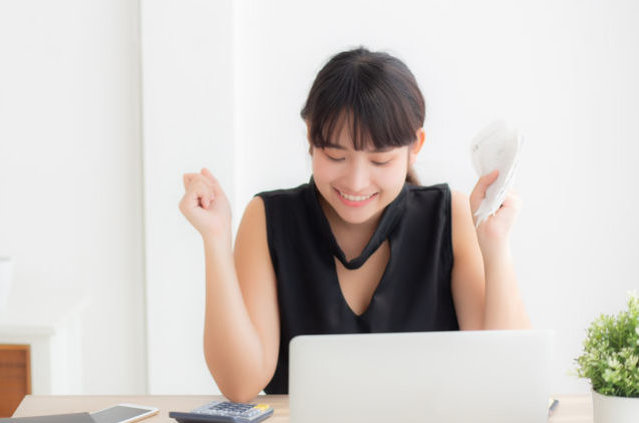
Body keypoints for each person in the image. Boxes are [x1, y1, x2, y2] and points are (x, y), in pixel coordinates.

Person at [178, 47, 531, 402]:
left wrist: (495, 243)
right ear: (310, 135)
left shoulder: (448, 215)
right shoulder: (269, 217)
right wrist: (216, 238)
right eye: (335, 156)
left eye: (380, 161)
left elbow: (505, 375)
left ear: (415, 146)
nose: (357, 182)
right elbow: (240, 384)